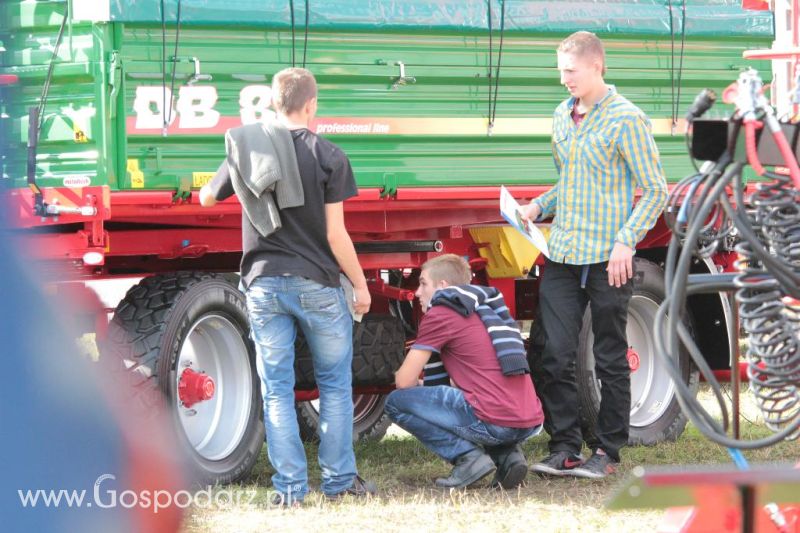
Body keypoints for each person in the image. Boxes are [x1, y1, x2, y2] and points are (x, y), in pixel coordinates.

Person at [200, 67, 375, 504]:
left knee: (275, 388)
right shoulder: (329, 155)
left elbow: (207, 197)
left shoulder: (248, 147)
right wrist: (360, 283)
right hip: (317, 283)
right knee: (334, 385)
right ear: (312, 104)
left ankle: (290, 489)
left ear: (273, 103)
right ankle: (338, 482)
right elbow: (336, 235)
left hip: (262, 284)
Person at [521, 31, 667, 479]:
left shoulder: (627, 119)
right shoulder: (562, 116)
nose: (564, 79)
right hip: (564, 253)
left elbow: (656, 190)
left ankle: (606, 451)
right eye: (560, 71)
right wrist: (538, 205)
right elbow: (571, 181)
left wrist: (627, 240)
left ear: (597, 67)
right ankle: (563, 445)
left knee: (608, 355)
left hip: (610, 257)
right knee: (552, 352)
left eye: (571, 71)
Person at [384, 254, 544, 489]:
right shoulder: (488, 309)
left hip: (496, 421)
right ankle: (508, 455)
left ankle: (468, 458)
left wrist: (416, 388)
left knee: (396, 402)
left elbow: (404, 381)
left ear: (443, 287)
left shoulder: (441, 312)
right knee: (475, 398)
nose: (417, 292)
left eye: (423, 283)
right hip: (529, 420)